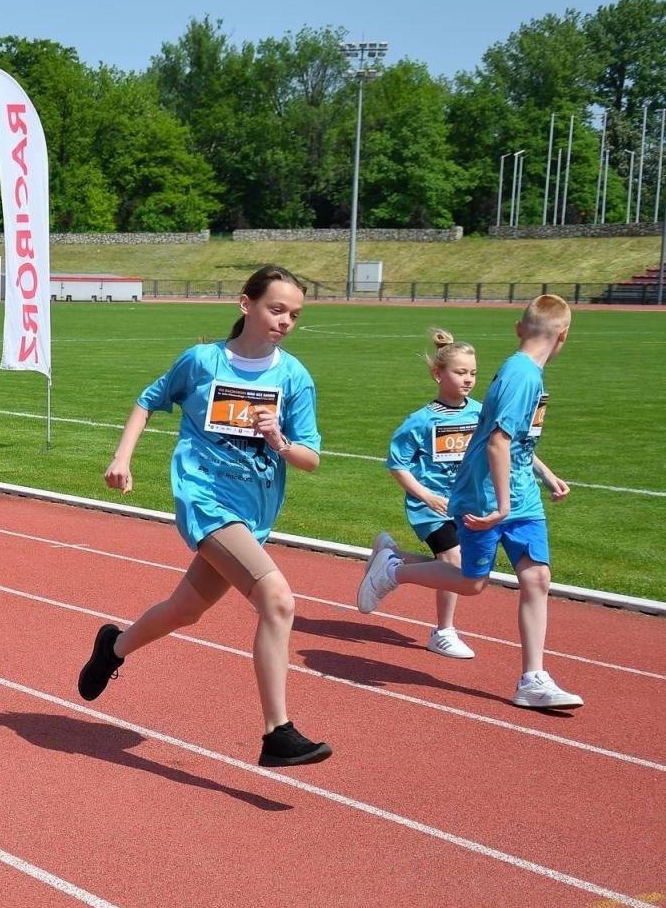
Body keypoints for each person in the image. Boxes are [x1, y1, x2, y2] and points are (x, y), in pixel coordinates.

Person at [75, 265, 332, 768]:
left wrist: (278, 440)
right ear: (246, 305)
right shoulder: (203, 362)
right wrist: (121, 457)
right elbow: (148, 401)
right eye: (276, 308)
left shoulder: (294, 378)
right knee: (278, 600)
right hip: (204, 499)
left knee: (185, 610)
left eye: (294, 315)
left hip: (253, 512)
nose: (285, 321)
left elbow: (311, 458)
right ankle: (277, 731)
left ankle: (114, 647)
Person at [358, 295, 580, 710]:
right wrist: (499, 505)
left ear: (519, 327)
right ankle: (394, 569)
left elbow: (514, 440)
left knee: (537, 580)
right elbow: (497, 442)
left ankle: (532, 678)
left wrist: (544, 475)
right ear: (564, 334)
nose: (468, 378)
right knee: (471, 581)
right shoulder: (520, 376)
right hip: (487, 499)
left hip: (522, 498)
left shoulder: (525, 373)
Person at [380, 328, 482, 660]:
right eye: (460, 372)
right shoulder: (420, 421)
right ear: (438, 374)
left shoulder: (480, 413)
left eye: (473, 373)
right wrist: (425, 495)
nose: (468, 379)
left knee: (459, 568)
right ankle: (444, 632)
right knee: (453, 561)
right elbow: (397, 464)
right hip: (431, 507)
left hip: (467, 504)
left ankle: (394, 558)